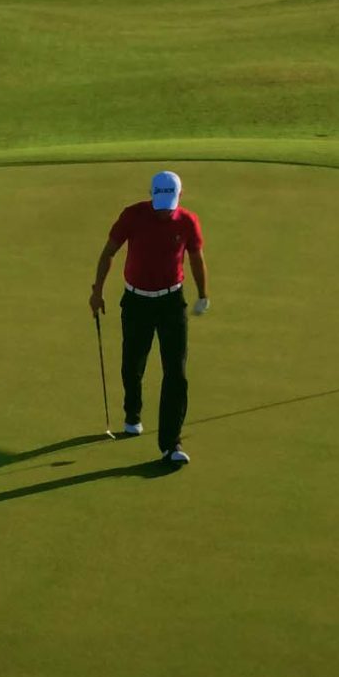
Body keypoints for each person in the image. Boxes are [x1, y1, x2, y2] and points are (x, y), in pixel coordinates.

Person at [88, 170, 208, 464]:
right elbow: (109, 252)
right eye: (159, 203)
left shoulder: (188, 221)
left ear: (179, 197)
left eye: (168, 205)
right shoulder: (133, 215)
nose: (163, 213)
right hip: (136, 302)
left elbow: (195, 256)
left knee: (176, 374)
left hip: (171, 303)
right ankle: (133, 412)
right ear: (151, 195)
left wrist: (203, 294)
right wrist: (97, 291)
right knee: (132, 365)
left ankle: (171, 443)